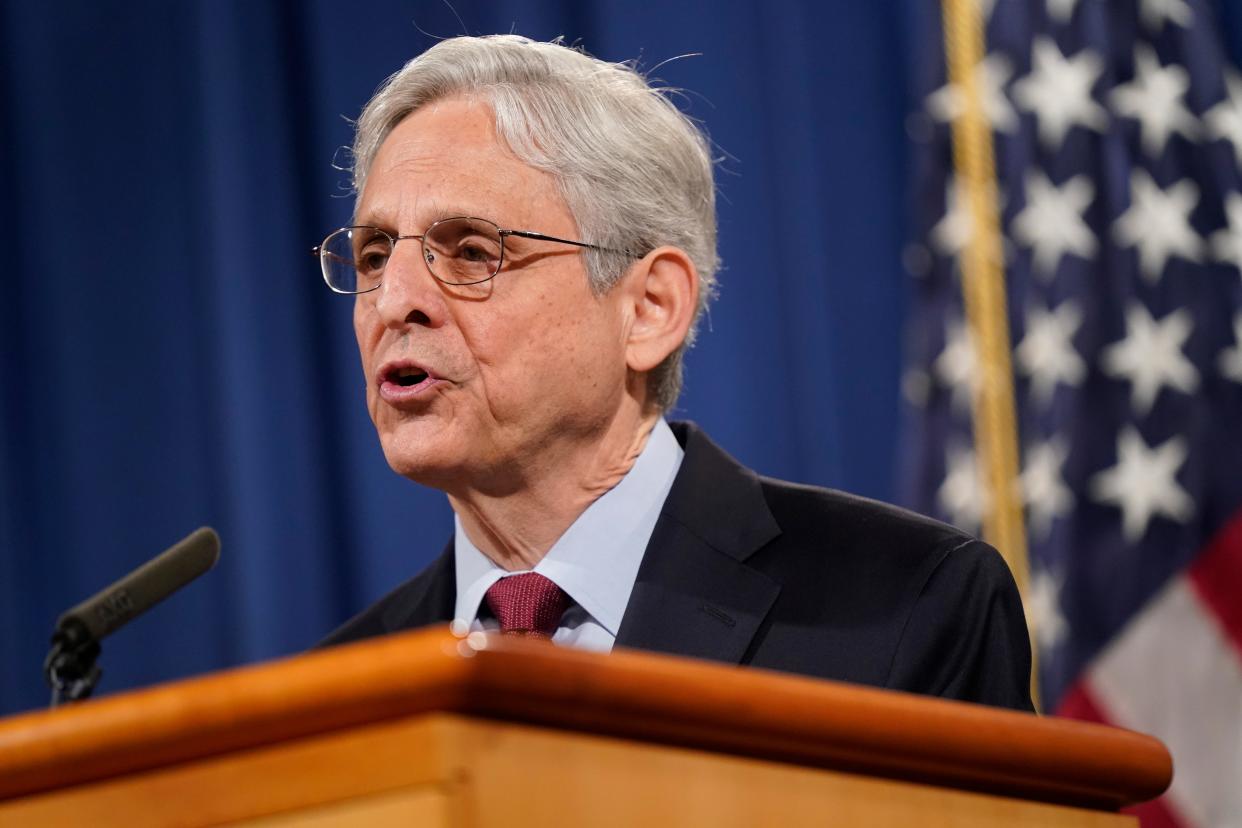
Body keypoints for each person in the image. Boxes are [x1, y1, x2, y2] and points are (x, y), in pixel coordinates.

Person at [317, 34, 1034, 713]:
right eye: (376, 255)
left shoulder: (907, 608)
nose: (395, 301)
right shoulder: (340, 694)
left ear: (650, 309)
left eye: (470, 250)